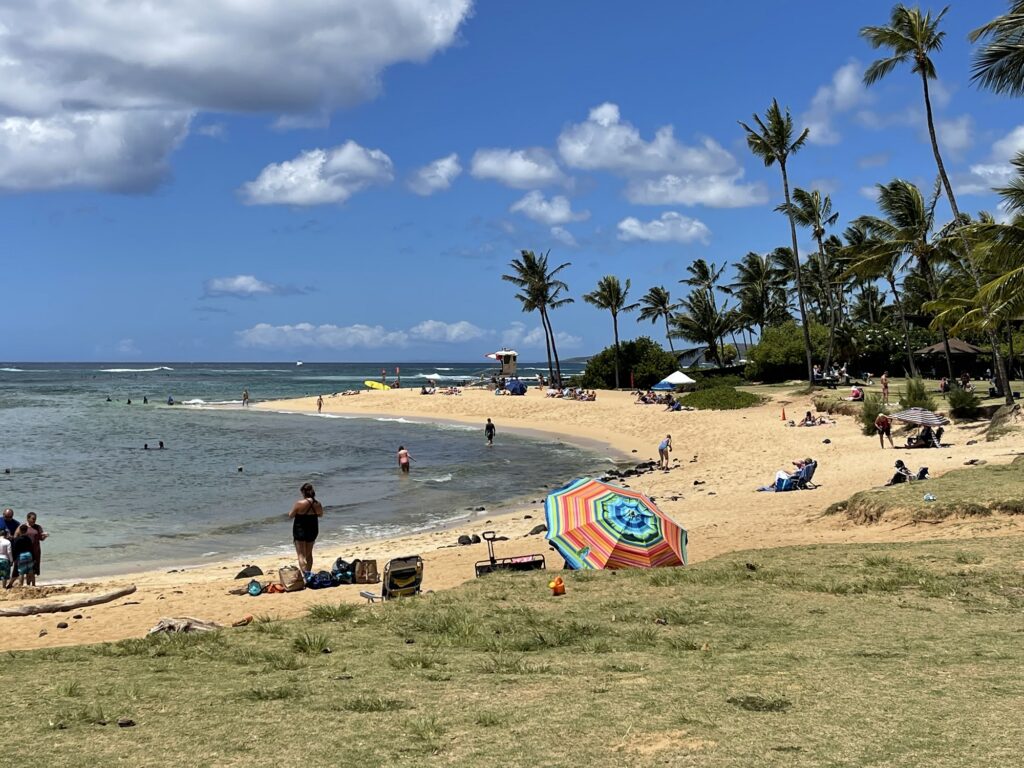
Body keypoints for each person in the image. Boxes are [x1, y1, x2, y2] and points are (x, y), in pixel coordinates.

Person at [289, 482, 323, 574]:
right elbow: (320, 514)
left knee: (301, 555)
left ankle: (305, 574)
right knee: (309, 554)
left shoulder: (299, 503)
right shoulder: (317, 504)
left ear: (303, 492)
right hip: (313, 528)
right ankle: (309, 573)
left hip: (300, 528)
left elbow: (291, 515)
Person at [24, 512, 46, 580]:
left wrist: (45, 536)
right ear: (28, 519)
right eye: (32, 519)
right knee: (27, 568)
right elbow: (18, 536)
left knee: (34, 568)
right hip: (26, 550)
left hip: (36, 550)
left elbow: (41, 539)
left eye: (35, 519)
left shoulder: (38, 527)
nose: (34, 520)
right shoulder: (23, 527)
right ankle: (28, 583)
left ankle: (33, 584)